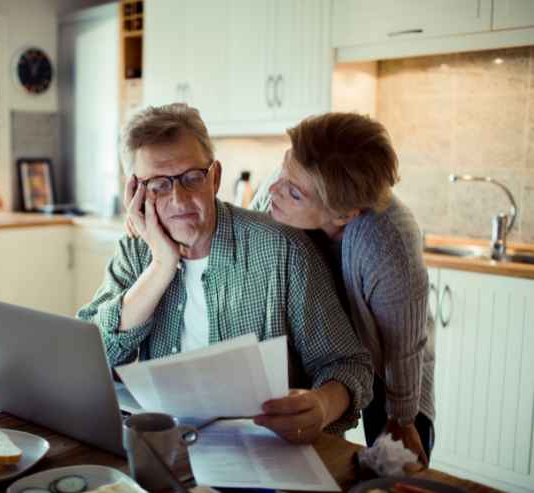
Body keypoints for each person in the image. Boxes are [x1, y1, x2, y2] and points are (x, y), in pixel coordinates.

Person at [78, 103, 373, 444]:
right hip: (165, 447)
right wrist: (161, 266)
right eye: (158, 185)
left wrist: (321, 404)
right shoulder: (136, 251)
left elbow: (350, 364)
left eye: (192, 178)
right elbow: (92, 357)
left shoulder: (283, 250)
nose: (179, 200)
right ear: (135, 192)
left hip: (262, 449)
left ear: (215, 177)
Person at [250, 112, 435, 464]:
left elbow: (403, 345)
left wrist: (403, 419)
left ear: (343, 215)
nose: (273, 190)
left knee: (395, 459)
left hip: (389, 364)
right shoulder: (285, 187)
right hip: (325, 353)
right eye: (281, 171)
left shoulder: (388, 242)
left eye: (293, 192)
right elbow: (245, 237)